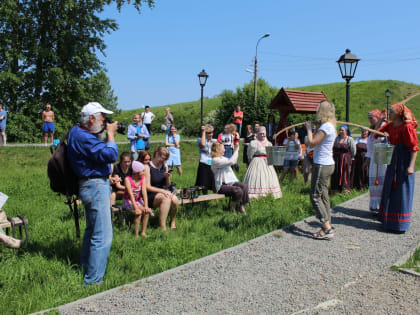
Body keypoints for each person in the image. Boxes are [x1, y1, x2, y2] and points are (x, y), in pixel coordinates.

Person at [67, 101, 118, 285]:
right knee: (102, 235)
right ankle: (93, 281)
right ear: (92, 118)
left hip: (87, 185)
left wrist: (103, 133)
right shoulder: (84, 138)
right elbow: (111, 155)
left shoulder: (76, 132)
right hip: (95, 185)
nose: (104, 122)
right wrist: (111, 135)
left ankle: (86, 266)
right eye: (102, 118)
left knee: (91, 230)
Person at [377, 104, 418, 233]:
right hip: (393, 161)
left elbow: (414, 148)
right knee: (390, 189)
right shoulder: (391, 125)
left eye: (391, 112)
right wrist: (380, 119)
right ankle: (388, 221)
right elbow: (377, 134)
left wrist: (411, 166)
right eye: (389, 112)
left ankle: (400, 224)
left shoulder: (407, 127)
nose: (390, 114)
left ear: (400, 114)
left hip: (403, 161)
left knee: (401, 190)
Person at [305, 101, 337, 239]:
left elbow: (312, 142)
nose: (316, 110)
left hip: (322, 164)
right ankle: (327, 225)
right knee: (323, 195)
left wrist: (308, 129)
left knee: (315, 196)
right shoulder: (328, 126)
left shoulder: (326, 127)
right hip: (327, 163)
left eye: (318, 108)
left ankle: (327, 227)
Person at [145, 146, 179, 231]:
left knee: (175, 199)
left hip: (162, 191)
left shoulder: (164, 166)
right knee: (166, 198)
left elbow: (167, 186)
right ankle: (163, 227)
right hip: (150, 194)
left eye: (166, 159)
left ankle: (172, 222)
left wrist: (167, 177)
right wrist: (163, 191)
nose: (164, 161)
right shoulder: (147, 167)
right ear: (156, 154)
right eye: (163, 158)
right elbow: (147, 187)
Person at [244, 126, 282, 199]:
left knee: (268, 177)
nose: (262, 135)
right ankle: (255, 193)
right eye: (261, 133)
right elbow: (250, 155)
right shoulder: (254, 143)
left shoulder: (269, 143)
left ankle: (268, 193)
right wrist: (250, 161)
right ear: (258, 134)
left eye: (264, 134)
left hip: (266, 162)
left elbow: (271, 156)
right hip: (256, 161)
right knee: (256, 178)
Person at [211, 142, 248, 214]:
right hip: (222, 186)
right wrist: (236, 150)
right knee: (238, 190)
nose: (224, 150)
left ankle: (242, 206)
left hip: (231, 182)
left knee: (244, 186)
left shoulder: (223, 158)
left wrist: (235, 148)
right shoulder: (215, 160)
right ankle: (232, 207)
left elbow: (233, 160)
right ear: (218, 149)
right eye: (223, 148)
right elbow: (232, 161)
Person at [122, 161, 153, 237]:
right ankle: (135, 234)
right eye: (142, 171)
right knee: (138, 212)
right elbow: (130, 195)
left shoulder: (143, 178)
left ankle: (143, 232)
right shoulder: (127, 179)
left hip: (138, 201)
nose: (143, 172)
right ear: (136, 172)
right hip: (128, 201)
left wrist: (146, 206)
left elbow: (144, 192)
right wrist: (136, 208)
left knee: (147, 211)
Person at [366, 109, 387, 214]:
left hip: (382, 158)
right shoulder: (373, 128)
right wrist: (368, 159)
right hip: (375, 158)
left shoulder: (383, 126)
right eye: (369, 118)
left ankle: (381, 208)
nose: (370, 120)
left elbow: (376, 138)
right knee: (374, 183)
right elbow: (370, 144)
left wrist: (380, 122)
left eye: (372, 118)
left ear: (378, 118)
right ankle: (375, 207)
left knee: (380, 182)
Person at [331, 125, 356, 194]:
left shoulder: (349, 139)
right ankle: (335, 189)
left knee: (345, 173)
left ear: (346, 131)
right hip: (336, 159)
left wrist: (350, 158)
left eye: (342, 130)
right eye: (340, 130)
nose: (341, 131)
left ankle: (345, 189)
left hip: (345, 159)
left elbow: (353, 150)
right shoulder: (336, 139)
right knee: (336, 173)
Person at [195, 125, 217, 193]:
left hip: (213, 164)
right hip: (204, 163)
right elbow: (203, 144)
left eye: (212, 132)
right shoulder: (200, 140)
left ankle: (216, 198)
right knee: (204, 184)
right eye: (209, 133)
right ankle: (205, 199)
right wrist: (203, 131)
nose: (211, 134)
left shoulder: (214, 141)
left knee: (214, 183)